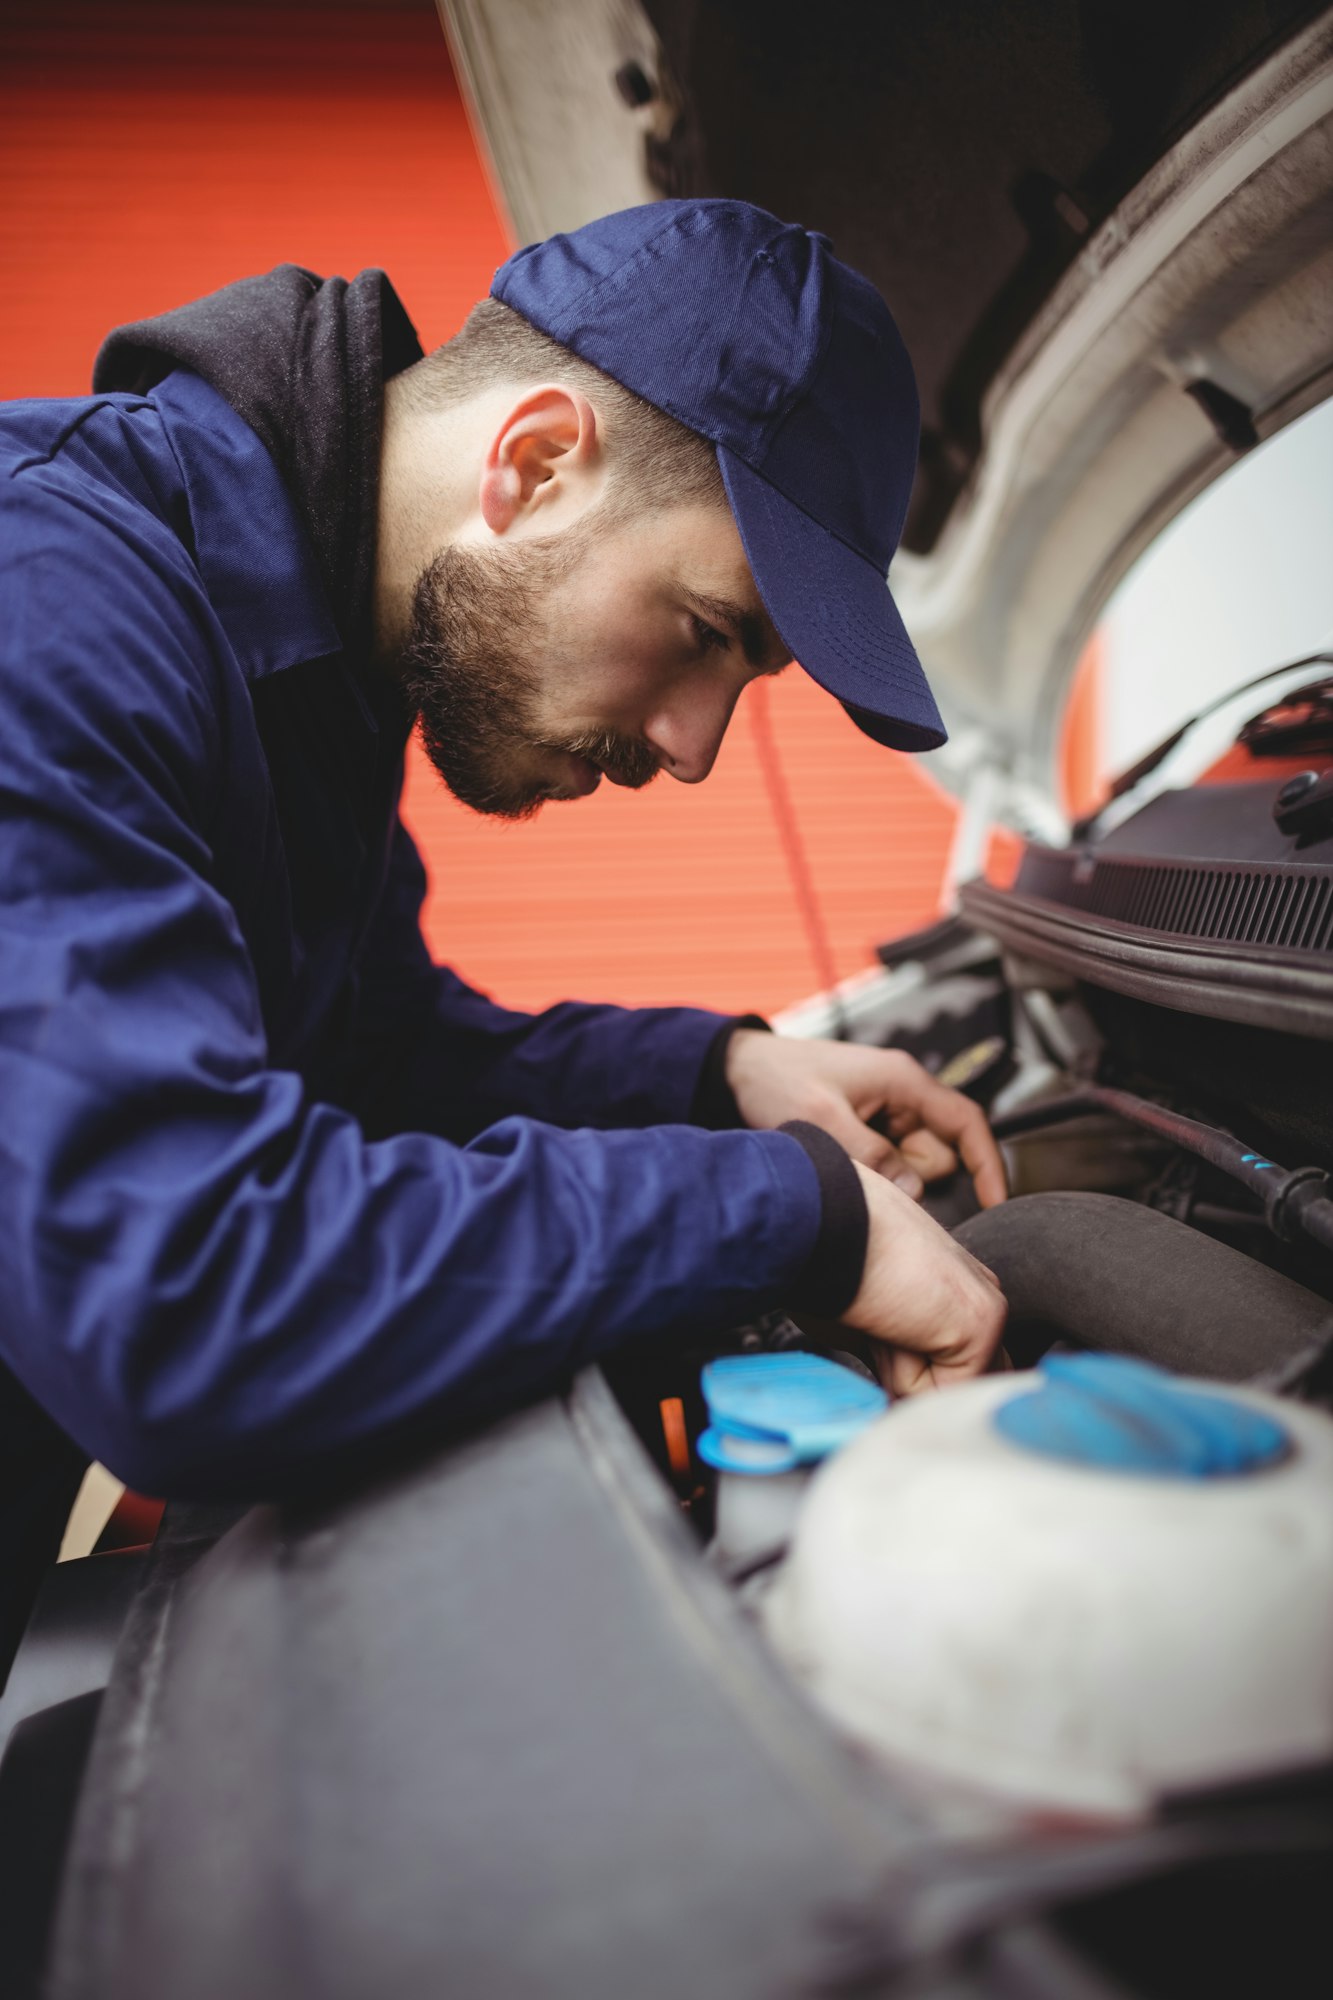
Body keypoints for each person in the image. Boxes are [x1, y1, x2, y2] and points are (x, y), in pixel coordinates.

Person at [0, 199, 1005, 1629]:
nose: (696, 745)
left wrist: (714, 1077)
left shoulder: (315, 685)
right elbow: (187, 1299)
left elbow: (372, 1062)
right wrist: (795, 1216)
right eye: (709, 634)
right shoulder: (47, 598)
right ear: (534, 463)